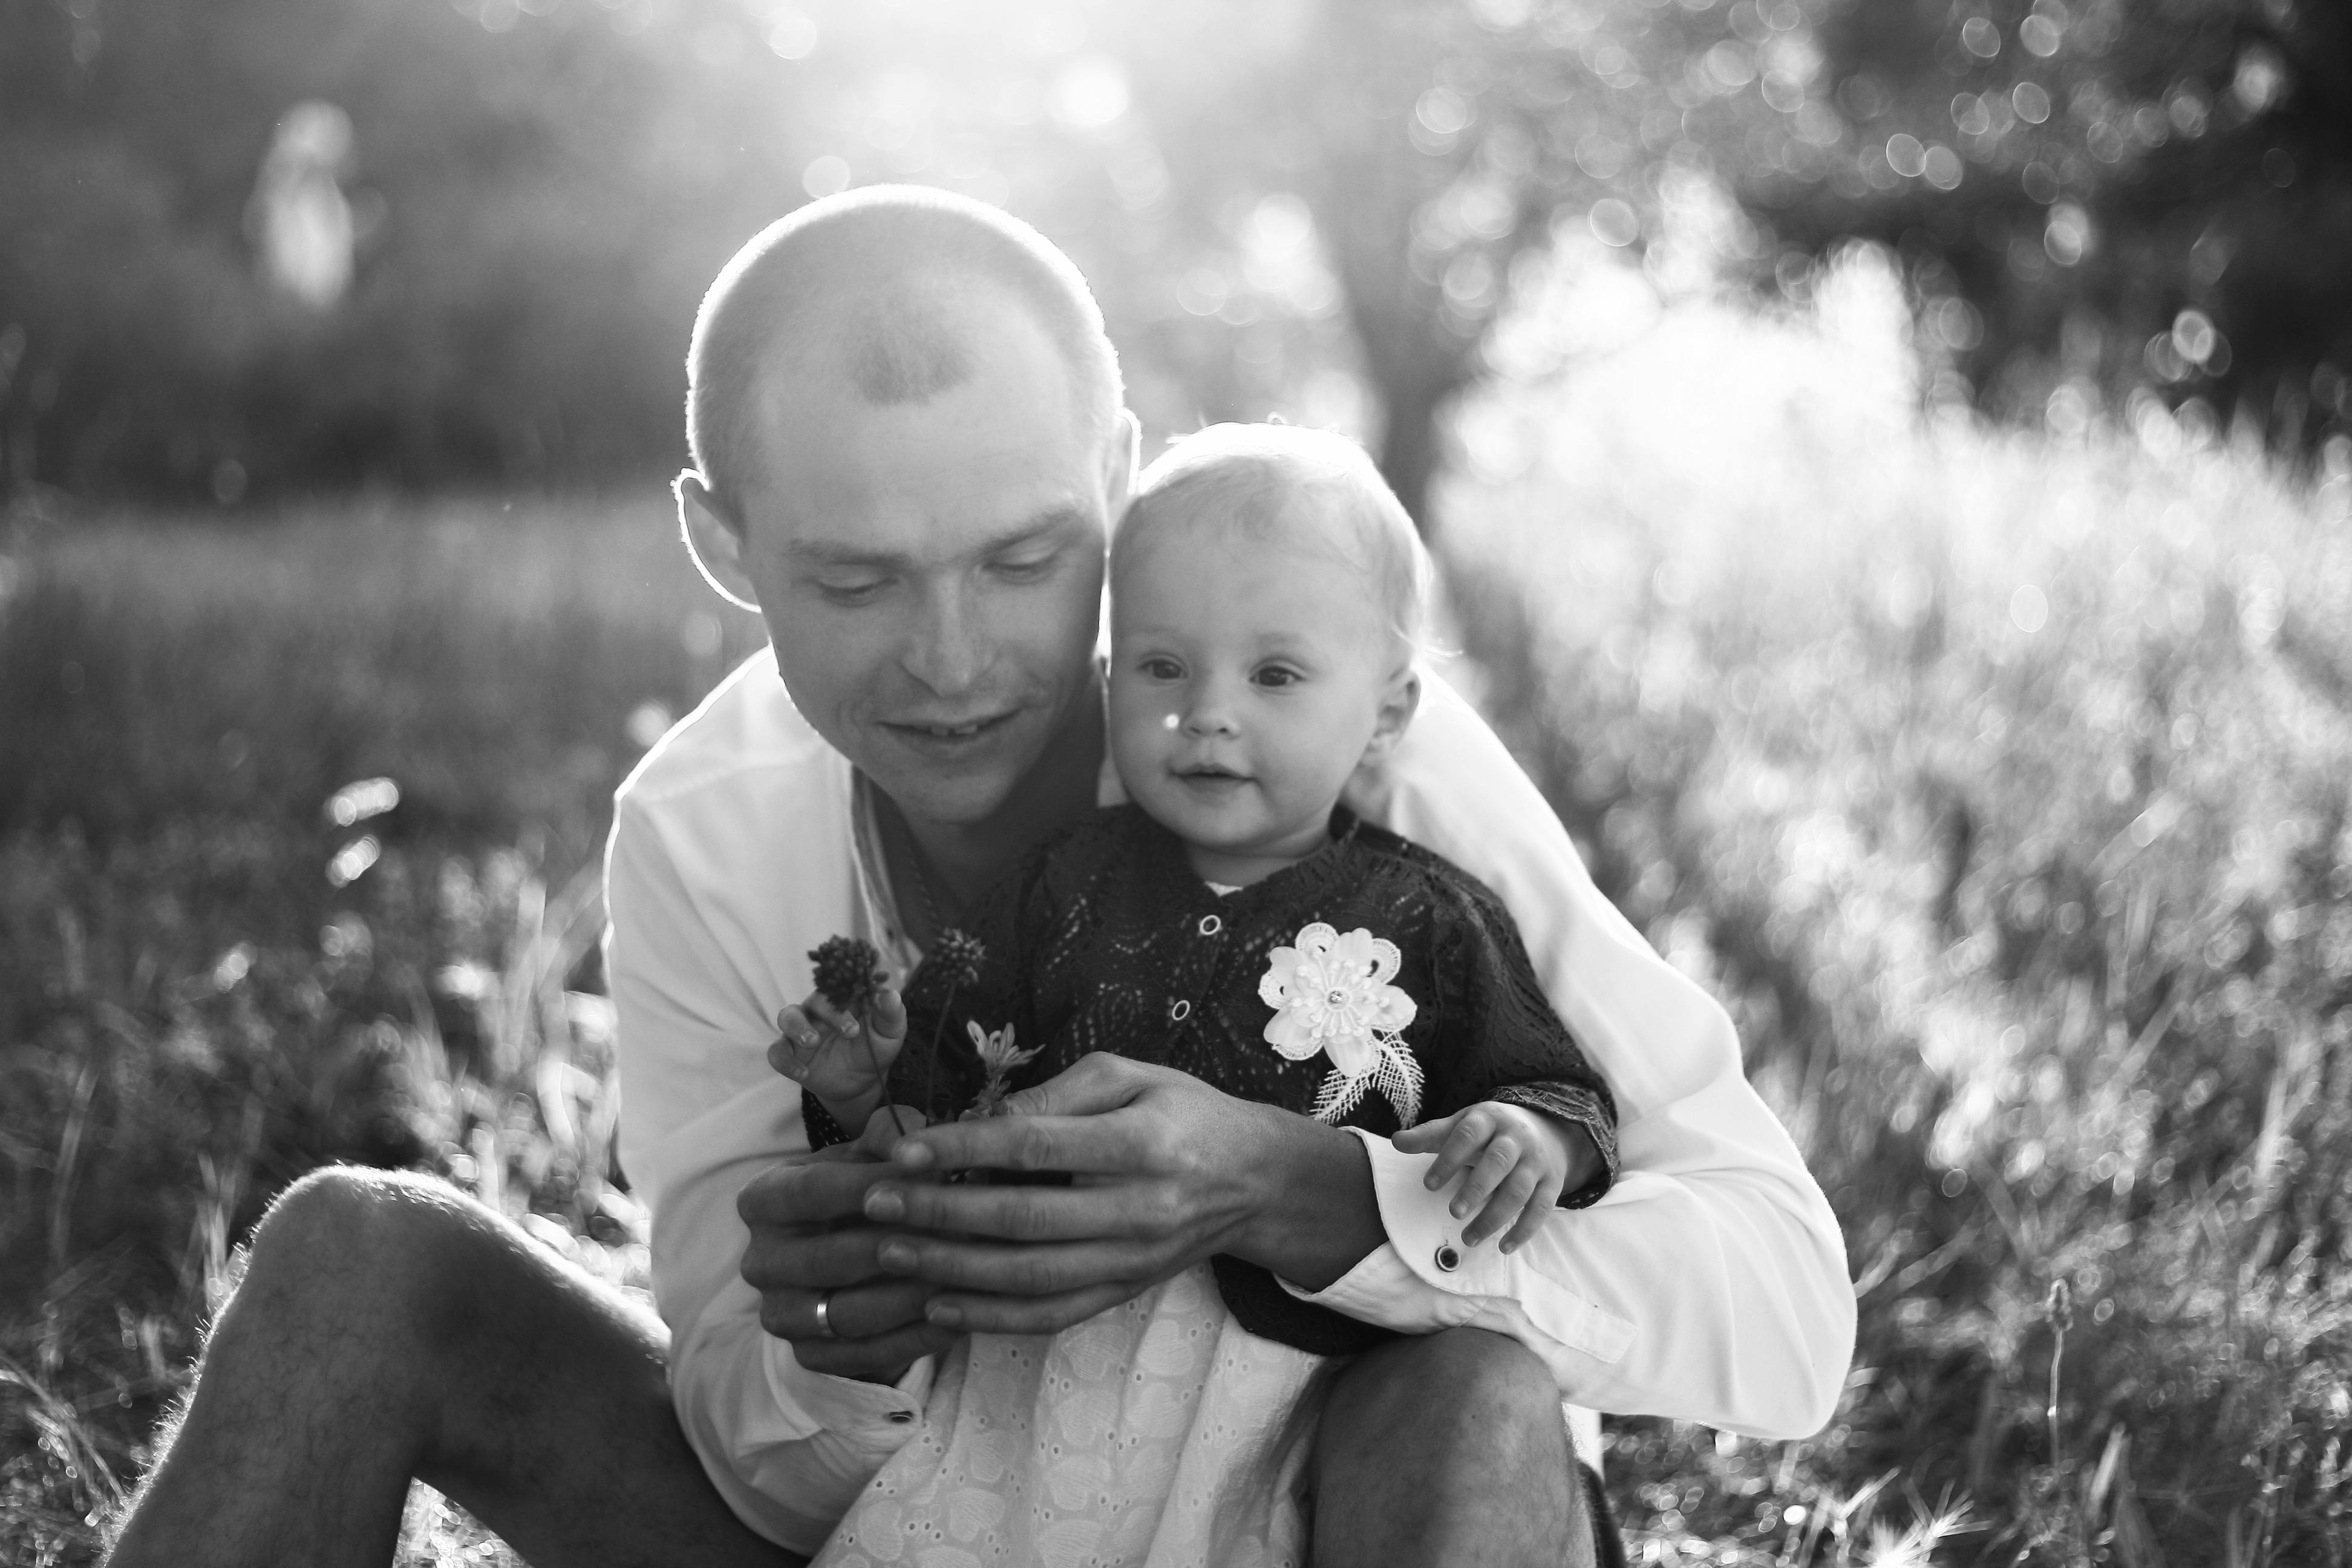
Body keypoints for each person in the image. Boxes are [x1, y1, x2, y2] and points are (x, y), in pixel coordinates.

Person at [102, 186, 1852, 1568]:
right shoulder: (706, 833)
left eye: (1028, 558)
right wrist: (836, 1356)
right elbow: (761, 1471)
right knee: (362, 1255)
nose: (957, 661)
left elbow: (1782, 1309)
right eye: (855, 582)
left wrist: (1309, 1193)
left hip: (1324, 1509)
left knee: (1474, 1397)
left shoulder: (1331, 742)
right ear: (723, 543)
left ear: (1117, 474)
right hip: (925, 1526)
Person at [767, 422, 1626, 1562]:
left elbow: (1553, 1082)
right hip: (1045, 1400)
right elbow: (940, 1111)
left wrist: (1530, 1138)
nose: (1209, 712)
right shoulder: (1064, 885)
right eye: (1166, 668)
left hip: (1287, 1404)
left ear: (1387, 710)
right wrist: (860, 1084)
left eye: (1274, 675)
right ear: (1114, 680)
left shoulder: (1431, 918)